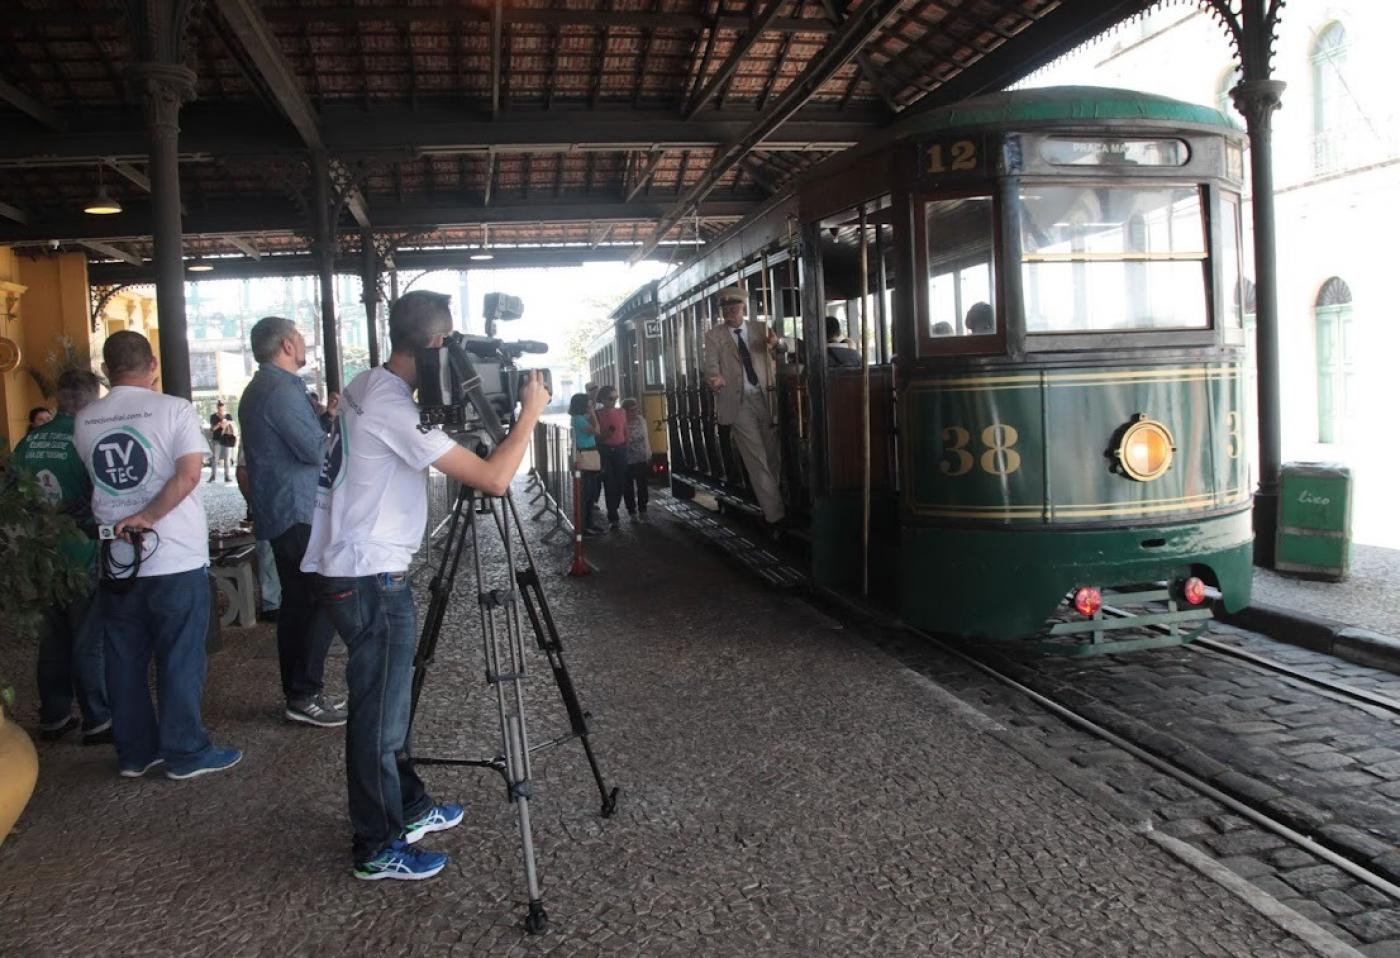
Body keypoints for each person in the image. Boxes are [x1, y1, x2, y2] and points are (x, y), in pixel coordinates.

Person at [301, 290, 550, 882]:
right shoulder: (393, 408)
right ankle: (377, 843)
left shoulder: (368, 386)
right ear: (437, 344)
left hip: (356, 568)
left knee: (390, 703)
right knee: (378, 717)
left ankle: (407, 806)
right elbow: (493, 479)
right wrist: (531, 412)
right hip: (369, 577)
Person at [74, 330, 241, 780]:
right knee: (180, 657)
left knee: (124, 659)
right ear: (153, 365)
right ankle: (186, 751)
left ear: (107, 371)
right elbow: (189, 475)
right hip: (174, 558)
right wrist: (148, 515)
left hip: (116, 560)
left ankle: (135, 754)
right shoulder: (174, 410)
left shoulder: (86, 420)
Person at [238, 316, 345, 727]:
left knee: (301, 603)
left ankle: (302, 691)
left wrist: (324, 419)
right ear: (285, 345)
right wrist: (337, 430)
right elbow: (312, 452)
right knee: (318, 600)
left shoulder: (268, 388)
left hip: (286, 509)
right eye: (299, 337)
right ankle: (304, 693)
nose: (303, 343)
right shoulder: (280, 391)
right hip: (297, 510)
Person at [12, 369, 111, 744]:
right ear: (89, 401)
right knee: (88, 637)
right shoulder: (85, 438)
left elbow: (13, 491)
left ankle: (54, 715)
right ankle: (98, 718)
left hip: (40, 554)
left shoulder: (31, 440)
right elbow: (100, 497)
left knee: (51, 638)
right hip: (80, 553)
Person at [703, 286, 786, 528]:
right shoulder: (714, 336)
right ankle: (776, 516)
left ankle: (772, 499)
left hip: (765, 399)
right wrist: (715, 379)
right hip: (737, 404)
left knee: (772, 456)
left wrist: (777, 342)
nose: (729, 311)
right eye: (725, 308)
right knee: (756, 457)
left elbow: (781, 349)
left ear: (743, 307)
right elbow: (710, 366)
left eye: (734, 306)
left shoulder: (761, 329)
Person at [235, 439, 281, 624]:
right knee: (267, 551)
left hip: (284, 502)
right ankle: (272, 604)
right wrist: (253, 502)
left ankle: (277, 601)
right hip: (267, 502)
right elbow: (242, 472)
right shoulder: (256, 430)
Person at [569, 392, 604, 534]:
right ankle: (585, 526)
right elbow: (596, 431)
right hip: (585, 455)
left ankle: (589, 523)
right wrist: (593, 414)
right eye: (588, 403)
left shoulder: (579, 418)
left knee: (590, 492)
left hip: (588, 454)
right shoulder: (577, 419)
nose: (591, 405)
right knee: (587, 493)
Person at [595, 385, 628, 529]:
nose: (614, 401)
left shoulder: (621, 412)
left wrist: (626, 445)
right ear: (602, 399)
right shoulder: (597, 414)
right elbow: (595, 436)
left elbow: (625, 430)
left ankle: (614, 508)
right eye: (610, 398)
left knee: (621, 482)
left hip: (620, 449)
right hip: (605, 450)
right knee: (609, 483)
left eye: (616, 398)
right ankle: (613, 515)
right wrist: (604, 436)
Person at [621, 397, 651, 520]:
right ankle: (631, 510)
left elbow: (646, 438)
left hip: (641, 457)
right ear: (625, 411)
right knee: (628, 486)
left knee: (642, 485)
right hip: (626, 458)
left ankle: (643, 508)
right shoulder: (621, 422)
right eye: (631, 410)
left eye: (635, 409)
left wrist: (649, 454)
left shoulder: (641, 420)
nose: (634, 412)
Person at [209, 399, 236, 483]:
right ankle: (213, 476)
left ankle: (227, 476)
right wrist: (220, 424)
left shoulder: (228, 416)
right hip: (216, 439)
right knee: (215, 459)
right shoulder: (213, 416)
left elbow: (232, 425)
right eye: (219, 408)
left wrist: (227, 423)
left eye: (222, 408)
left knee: (227, 459)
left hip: (227, 439)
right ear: (217, 408)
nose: (221, 410)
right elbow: (212, 429)